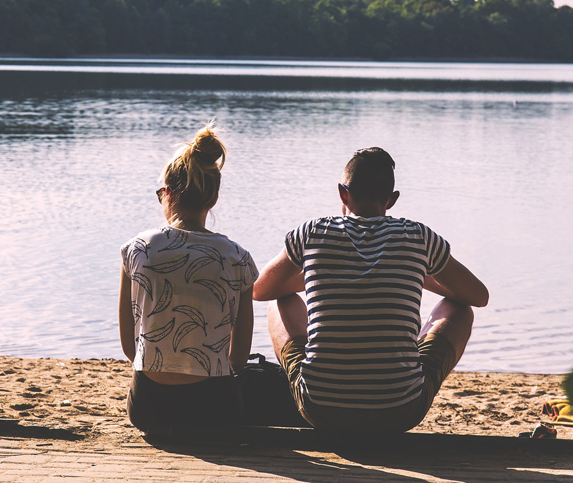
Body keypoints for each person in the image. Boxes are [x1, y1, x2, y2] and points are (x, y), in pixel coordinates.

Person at [253, 147, 488, 434]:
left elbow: (261, 289)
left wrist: (322, 270)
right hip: (401, 410)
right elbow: (478, 296)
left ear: (343, 194)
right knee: (459, 308)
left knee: (279, 301)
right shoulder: (418, 237)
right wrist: (416, 270)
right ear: (392, 200)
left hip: (320, 408)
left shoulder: (313, 232)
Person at [118, 123, 258, 433]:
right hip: (214, 408)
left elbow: (131, 348)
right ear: (213, 198)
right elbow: (238, 358)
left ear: (167, 194)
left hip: (148, 407)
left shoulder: (137, 249)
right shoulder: (237, 257)